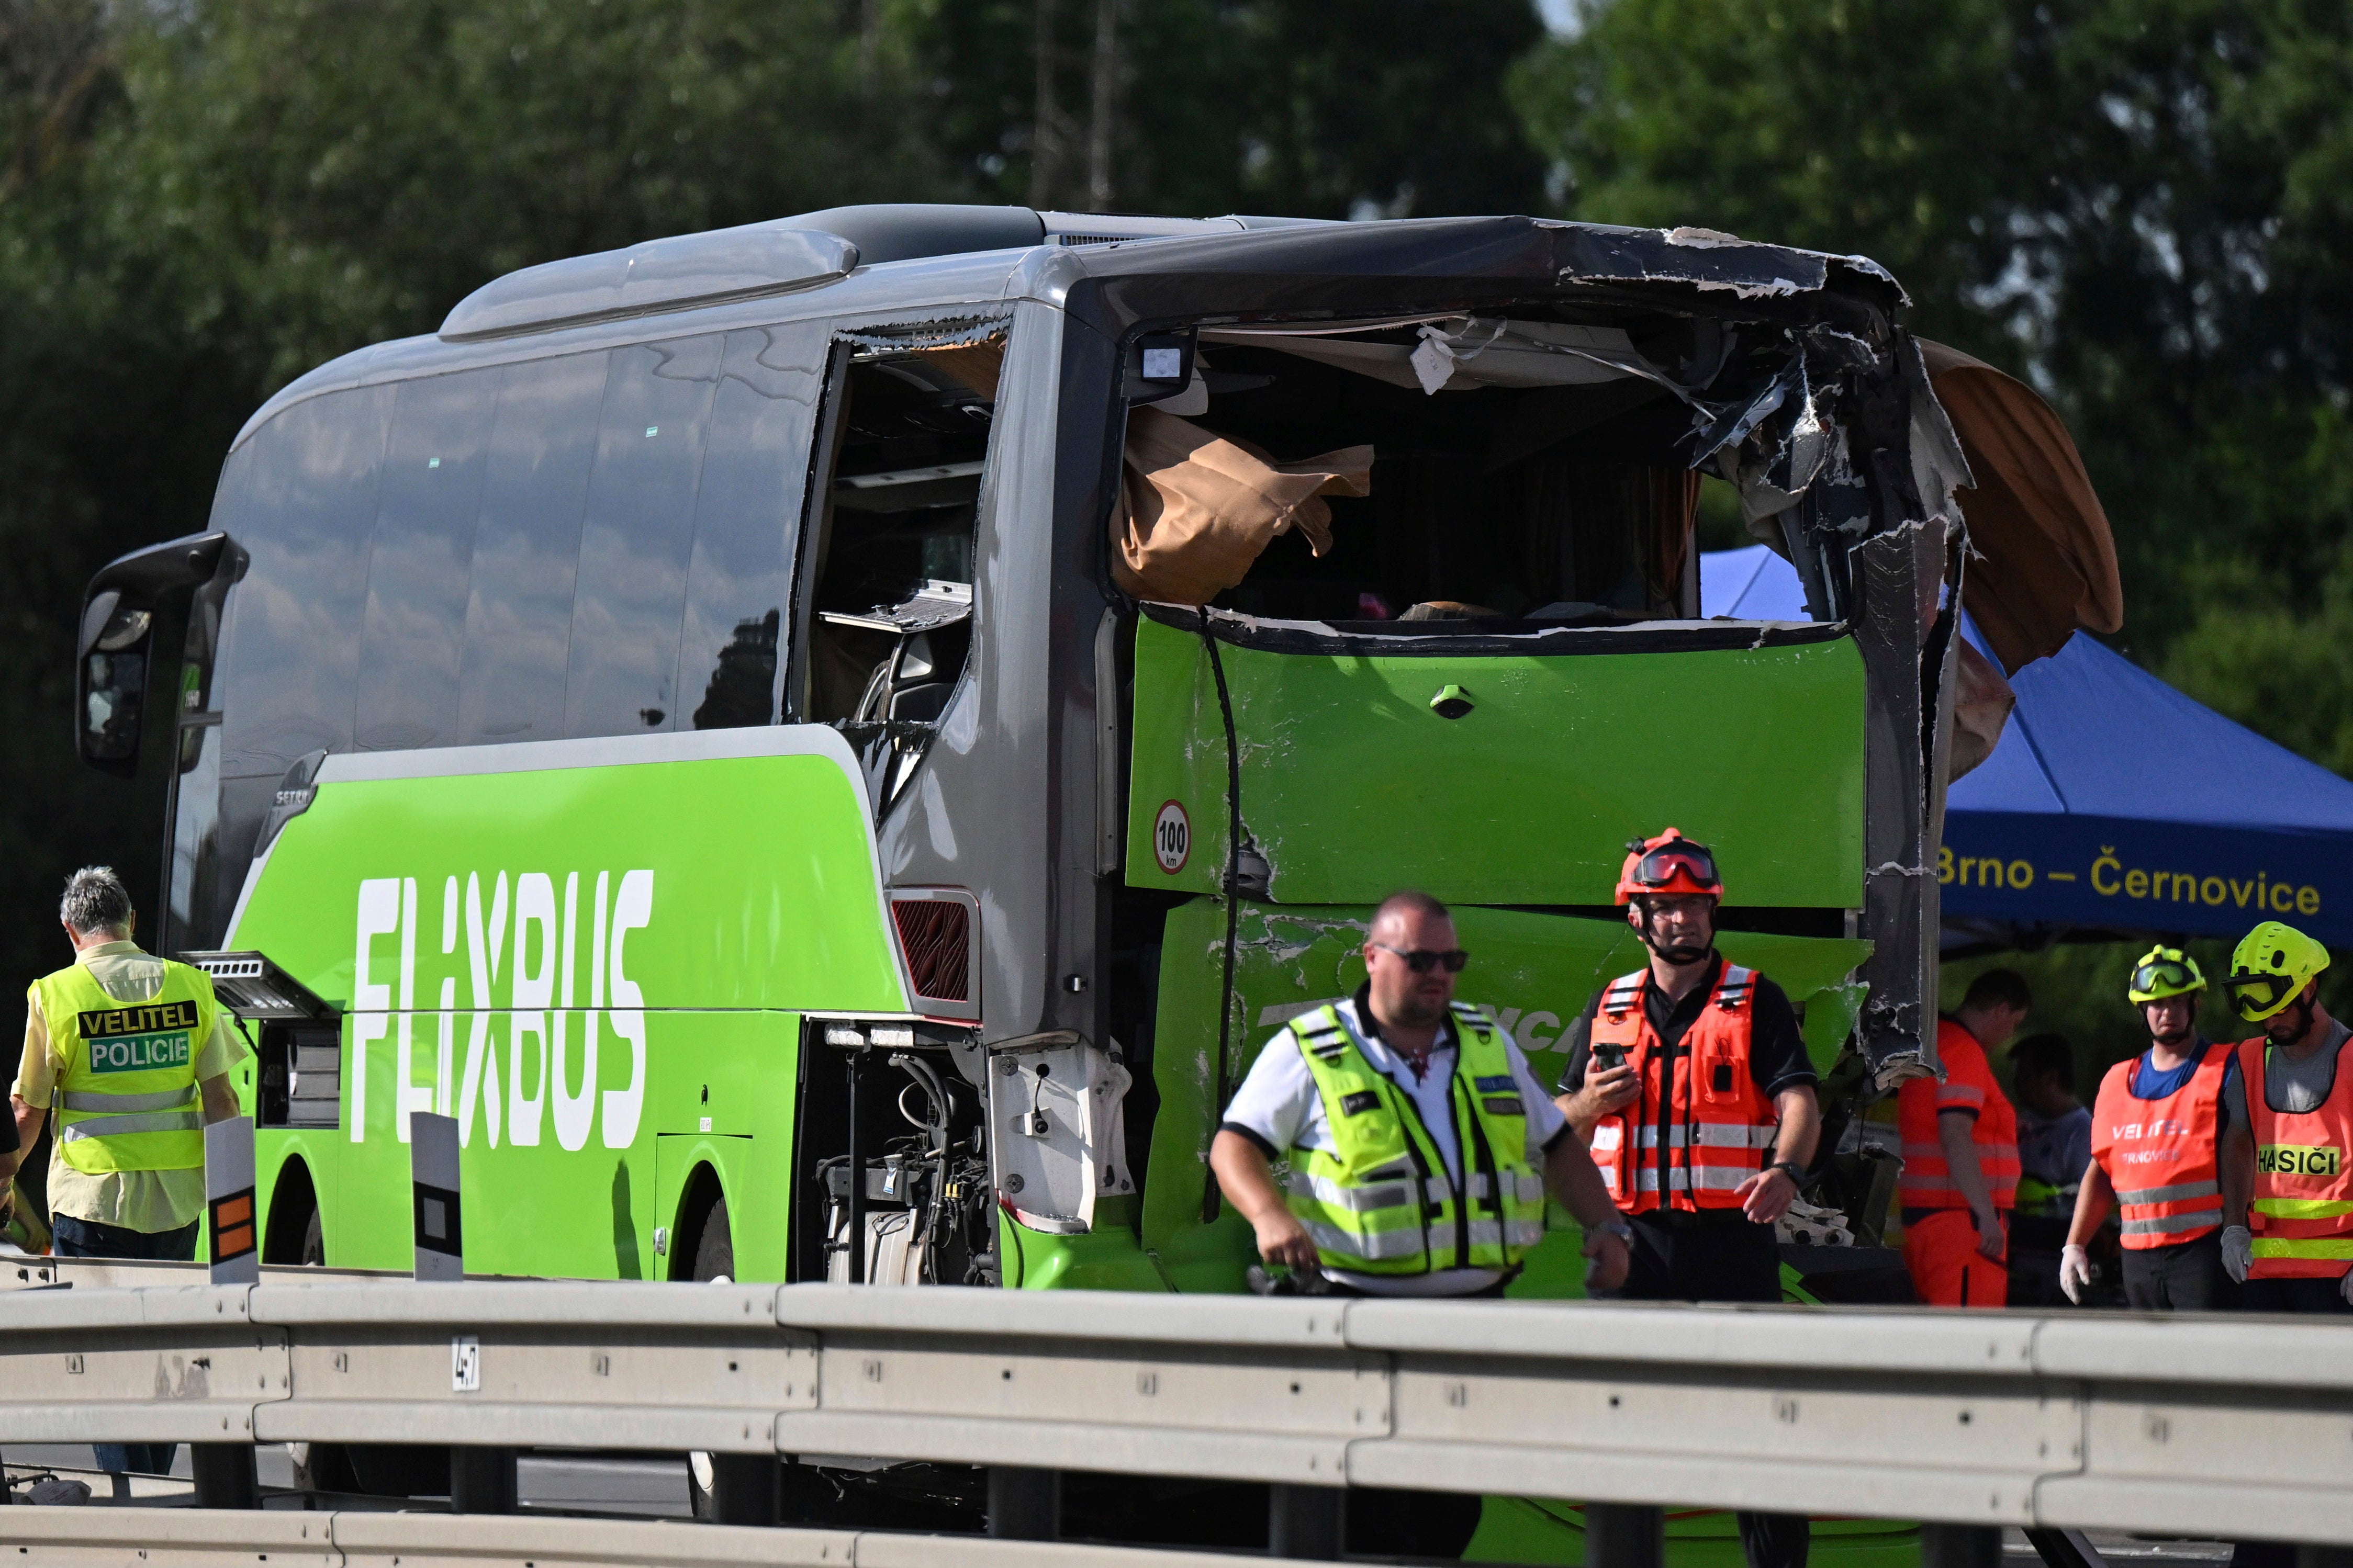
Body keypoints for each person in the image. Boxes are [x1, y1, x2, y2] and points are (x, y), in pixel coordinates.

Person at [1211, 888, 1629, 1556]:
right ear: (1373, 957)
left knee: (1447, 1510)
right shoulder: (1312, 1046)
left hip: (1472, 1319)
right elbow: (1234, 1146)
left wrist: (1604, 1225)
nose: (1438, 973)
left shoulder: (1485, 1040)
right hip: (1357, 1315)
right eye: (1420, 960)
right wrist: (1268, 1216)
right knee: (1369, 1510)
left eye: (1450, 960)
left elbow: (1554, 1146)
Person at [1554, 829, 1820, 1568]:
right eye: (1666, 907)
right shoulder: (1610, 1003)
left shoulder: (1754, 997)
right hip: (1631, 1246)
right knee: (1620, 1426)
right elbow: (1556, 1129)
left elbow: (1799, 1101)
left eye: (1696, 906)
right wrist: (1587, 1104)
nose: (1684, 920)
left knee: (1759, 1429)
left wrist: (1786, 1170)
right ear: (1636, 917)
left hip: (1728, 1244)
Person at [9, 866, 246, 1475]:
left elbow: (28, 1110)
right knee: (166, 1355)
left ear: (70, 930)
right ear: (132, 922)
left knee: (103, 1360)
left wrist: (3, 1183)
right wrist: (232, 1201)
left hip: (92, 1208)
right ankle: (153, 1484)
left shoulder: (56, 995)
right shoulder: (193, 988)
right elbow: (222, 1102)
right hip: (178, 1206)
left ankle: (129, 1494)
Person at [2061, 947, 2238, 1311]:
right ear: (2142, 1010)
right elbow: (2102, 1171)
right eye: (2156, 1003)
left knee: (2205, 1363)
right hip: (2138, 1257)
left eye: (2176, 1001)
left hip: (2204, 1251)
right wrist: (2075, 1244)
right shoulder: (2116, 1080)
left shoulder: (2228, 1068)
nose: (2167, 1011)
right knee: (2150, 1363)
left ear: (2196, 1004)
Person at [2216, 921, 2353, 1314]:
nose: (2271, 1021)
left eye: (2280, 1007)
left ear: (2309, 988)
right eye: (2261, 1012)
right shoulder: (2251, 1060)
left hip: (2339, 1279)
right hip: (2267, 1273)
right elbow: (2238, 1142)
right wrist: (2233, 1228)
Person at [1896, 969, 2027, 1308]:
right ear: (2000, 1009)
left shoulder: (1936, 1043)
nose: (2010, 1032)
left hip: (1932, 1218)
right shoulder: (1963, 1049)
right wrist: (1984, 1214)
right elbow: (1955, 1132)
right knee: (1969, 1338)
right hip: (1961, 1222)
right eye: (2014, 1022)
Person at [2007, 1033, 2090, 1306]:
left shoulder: (2083, 1132)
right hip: (2013, 1253)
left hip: (2051, 1263)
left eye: (2025, 1077)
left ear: (2051, 1078)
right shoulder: (2023, 1123)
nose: (2017, 1085)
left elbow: (2086, 1203)